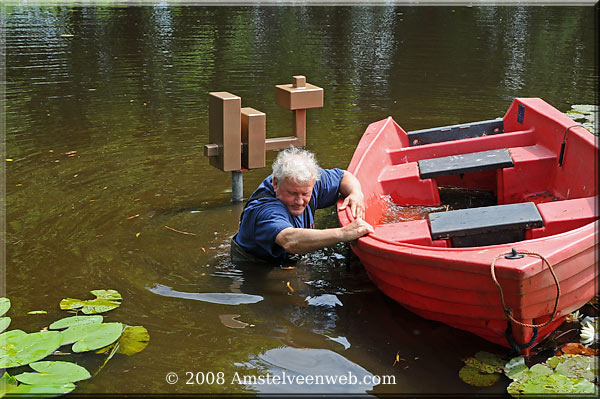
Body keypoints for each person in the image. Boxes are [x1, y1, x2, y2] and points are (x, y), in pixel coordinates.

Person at [231, 146, 374, 264]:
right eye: (292, 193)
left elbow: (345, 176)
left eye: (305, 194)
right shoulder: (264, 209)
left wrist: (356, 193)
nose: (299, 201)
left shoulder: (308, 180)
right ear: (276, 183)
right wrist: (344, 233)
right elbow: (289, 240)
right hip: (256, 270)